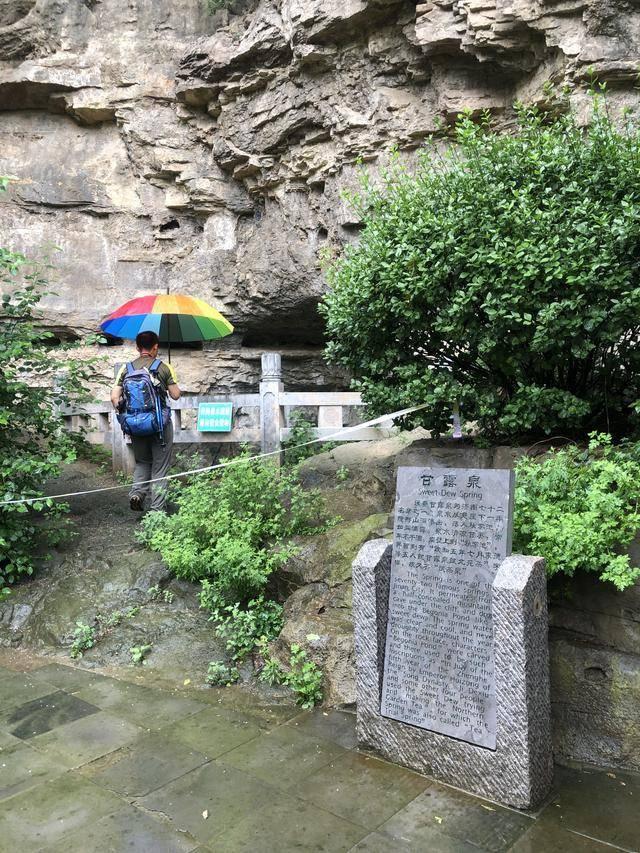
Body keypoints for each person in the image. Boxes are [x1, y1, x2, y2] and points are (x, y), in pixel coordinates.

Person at [110, 331, 181, 512]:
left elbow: (114, 398)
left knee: (142, 461)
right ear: (155, 347)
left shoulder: (126, 369)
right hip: (159, 425)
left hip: (135, 424)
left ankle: (137, 494)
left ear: (137, 348)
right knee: (160, 467)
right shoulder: (163, 367)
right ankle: (157, 510)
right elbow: (176, 395)